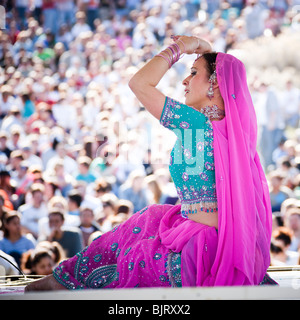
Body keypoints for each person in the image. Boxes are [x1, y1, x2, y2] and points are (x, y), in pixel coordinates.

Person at [25, 36, 275, 291]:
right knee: (150, 218)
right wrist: (209, 57)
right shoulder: (236, 136)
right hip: (224, 249)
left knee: (138, 235)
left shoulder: (195, 124)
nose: (184, 80)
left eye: (193, 72)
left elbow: (139, 83)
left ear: (215, 82)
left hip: (196, 250)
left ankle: (58, 284)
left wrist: (182, 47)